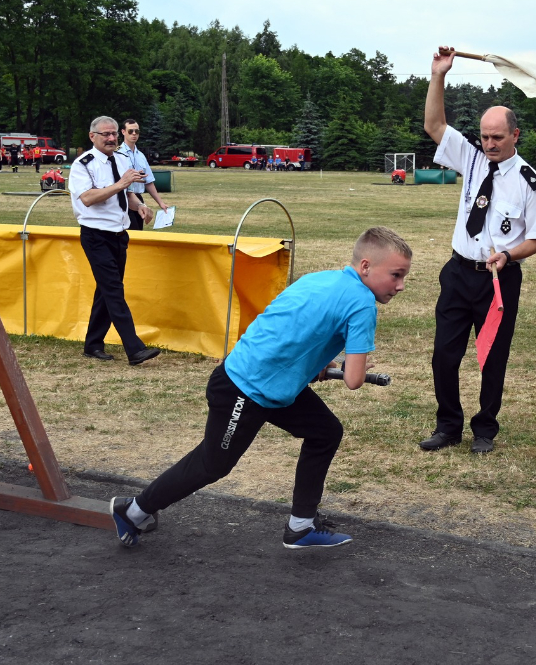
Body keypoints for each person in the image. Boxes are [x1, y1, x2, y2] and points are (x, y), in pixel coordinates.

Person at [109, 227, 413, 549]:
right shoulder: (363, 303)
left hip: (267, 385)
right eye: (395, 275)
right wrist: (356, 367)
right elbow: (353, 381)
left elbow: (286, 331)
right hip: (244, 389)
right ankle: (133, 510)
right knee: (211, 465)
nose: (401, 285)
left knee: (325, 432)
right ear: (366, 267)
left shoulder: (320, 279)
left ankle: (301, 526)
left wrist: (316, 367)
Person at [419, 45, 536, 455]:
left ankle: (485, 430)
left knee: (492, 359)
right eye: (485, 136)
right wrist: (439, 74)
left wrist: (509, 255)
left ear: (515, 135)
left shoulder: (531, 183)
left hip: (499, 279)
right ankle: (448, 426)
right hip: (458, 273)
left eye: (497, 137)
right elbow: (434, 125)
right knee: (444, 355)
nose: (489, 144)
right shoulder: (472, 159)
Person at [69, 116, 161, 366]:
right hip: (95, 235)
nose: (111, 139)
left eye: (113, 135)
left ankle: (93, 344)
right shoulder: (83, 165)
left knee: (106, 290)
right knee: (113, 290)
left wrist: (140, 206)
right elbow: (88, 198)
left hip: (119, 235)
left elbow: (126, 193)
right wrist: (120, 183)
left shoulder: (121, 159)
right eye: (105, 135)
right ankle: (134, 348)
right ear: (92, 137)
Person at [114, 119, 168, 230]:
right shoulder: (117, 153)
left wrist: (160, 203)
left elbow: (149, 182)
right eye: (130, 131)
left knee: (138, 231)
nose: (134, 134)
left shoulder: (141, 155)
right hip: (124, 197)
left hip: (138, 198)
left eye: (136, 131)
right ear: (123, 132)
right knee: (130, 232)